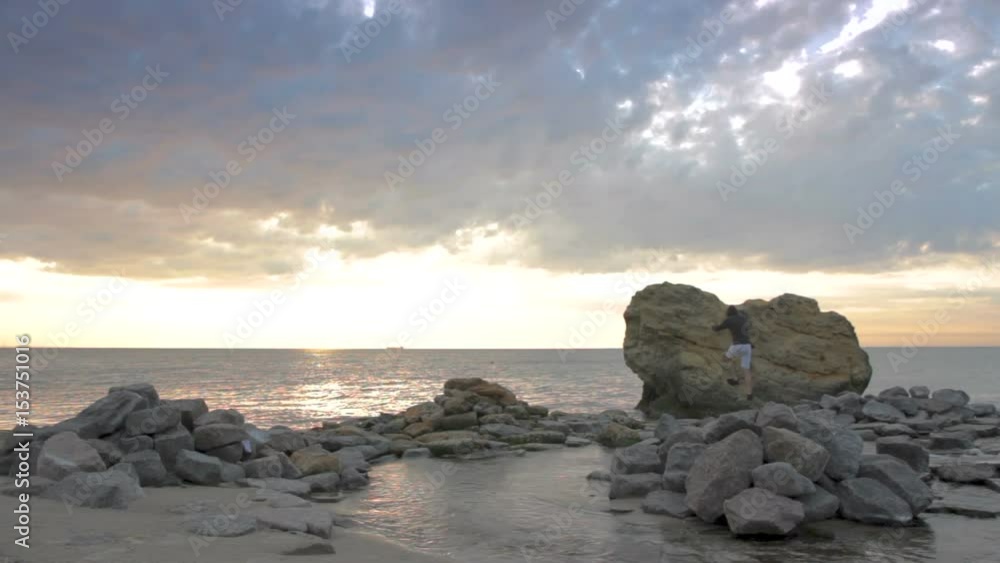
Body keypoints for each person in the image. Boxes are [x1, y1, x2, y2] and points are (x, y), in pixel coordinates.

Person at [713, 305, 753, 401]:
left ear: (728, 313)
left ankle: (734, 379)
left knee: (726, 358)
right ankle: (749, 394)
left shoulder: (729, 320)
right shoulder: (743, 319)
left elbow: (718, 328)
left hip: (737, 345)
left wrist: (712, 326)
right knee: (746, 371)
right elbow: (747, 330)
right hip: (747, 346)